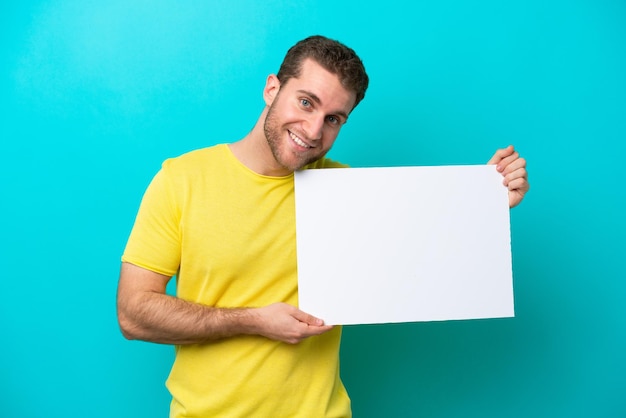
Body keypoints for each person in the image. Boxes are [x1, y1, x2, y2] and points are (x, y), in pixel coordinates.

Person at [117, 35, 529, 417]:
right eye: (306, 103)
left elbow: (425, 258)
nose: (314, 131)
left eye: (334, 118)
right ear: (272, 89)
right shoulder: (182, 180)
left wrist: (488, 203)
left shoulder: (346, 193)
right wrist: (253, 320)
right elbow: (134, 314)